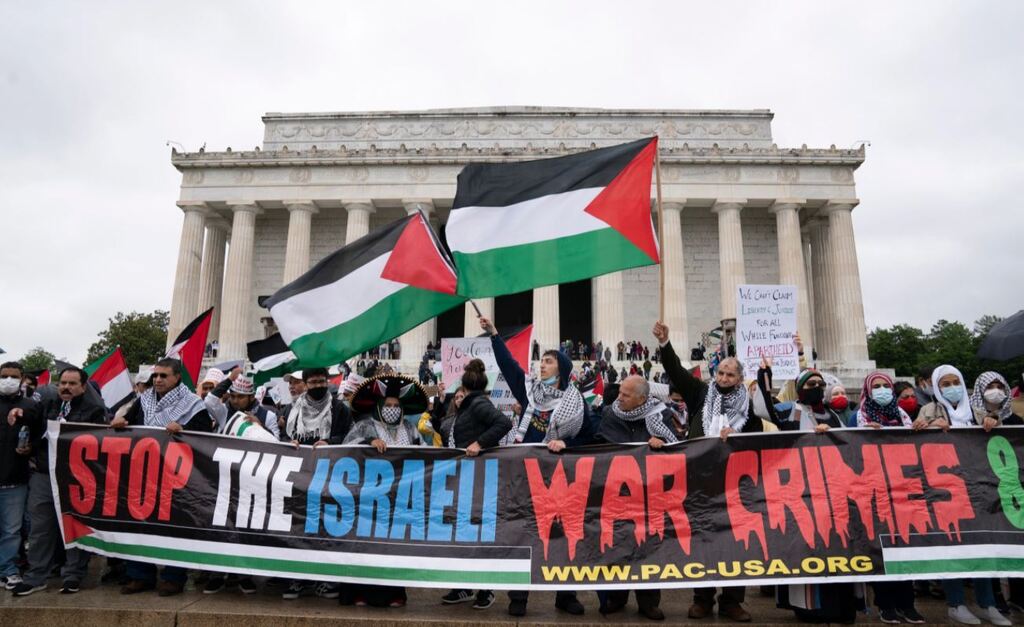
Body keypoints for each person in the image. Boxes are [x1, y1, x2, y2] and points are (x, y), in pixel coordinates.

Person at [479, 315, 587, 617]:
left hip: (561, 480)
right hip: (525, 479)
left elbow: (593, 437)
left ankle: (566, 596)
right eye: (542, 361)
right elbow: (510, 368)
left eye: (549, 362)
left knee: (564, 537)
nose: (542, 365)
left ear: (562, 370)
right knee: (522, 534)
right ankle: (518, 597)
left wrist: (568, 445)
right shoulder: (529, 394)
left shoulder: (577, 404)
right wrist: (494, 335)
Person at [652, 321, 755, 622]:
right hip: (700, 481)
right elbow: (676, 372)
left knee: (736, 544)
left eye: (730, 374)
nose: (723, 377)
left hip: (736, 484)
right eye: (720, 372)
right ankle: (703, 599)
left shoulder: (748, 410)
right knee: (704, 541)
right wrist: (665, 343)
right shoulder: (700, 393)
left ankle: (732, 601)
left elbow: (764, 434)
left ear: (739, 378)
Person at [109, 359, 212, 596]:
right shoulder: (143, 401)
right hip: (143, 473)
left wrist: (185, 432)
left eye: (163, 376)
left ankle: (173, 577)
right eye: (155, 376)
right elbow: (130, 425)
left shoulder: (193, 405)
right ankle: (139, 575)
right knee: (139, 524)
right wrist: (118, 424)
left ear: (177, 377)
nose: (157, 380)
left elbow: (206, 437)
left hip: (176, 477)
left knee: (175, 526)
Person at [916, 369, 1007, 625]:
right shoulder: (928, 411)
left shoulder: (977, 413)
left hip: (979, 490)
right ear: (936, 387)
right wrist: (930, 428)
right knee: (953, 549)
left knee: (982, 548)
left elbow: (998, 432)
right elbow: (914, 441)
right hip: (946, 491)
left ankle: (987, 603)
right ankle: (955, 603)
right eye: (945, 384)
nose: (952, 387)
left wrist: (992, 422)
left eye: (956, 382)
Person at [10, 366, 106, 597]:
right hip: (44, 475)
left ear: (83, 386)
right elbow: (35, 427)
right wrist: (20, 414)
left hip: (76, 478)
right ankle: (36, 576)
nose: (66, 387)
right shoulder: (49, 406)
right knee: (41, 529)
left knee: (75, 527)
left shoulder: (95, 411)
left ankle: (73, 575)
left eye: (72, 384)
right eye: (63, 383)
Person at [595, 375, 676, 621]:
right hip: (616, 493)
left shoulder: (661, 416)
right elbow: (597, 444)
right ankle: (616, 597)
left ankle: (648, 602)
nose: (619, 397)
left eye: (626, 395)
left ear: (642, 399)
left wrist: (660, 443)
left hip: (649, 494)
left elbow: (676, 446)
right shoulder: (609, 413)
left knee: (648, 548)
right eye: (620, 392)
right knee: (616, 546)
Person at [343, 374, 427, 608]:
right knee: (365, 545)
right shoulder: (365, 426)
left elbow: (426, 453)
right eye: (388, 405)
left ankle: (395, 593)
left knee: (394, 547)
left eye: (396, 406)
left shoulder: (409, 429)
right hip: (368, 498)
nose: (392, 409)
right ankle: (359, 592)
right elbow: (345, 448)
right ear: (379, 406)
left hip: (398, 499)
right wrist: (368, 443)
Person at [848, 372, 924, 624]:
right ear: (868, 391)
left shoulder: (903, 416)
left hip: (903, 491)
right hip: (873, 493)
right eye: (876, 386)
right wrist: (863, 436)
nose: (882, 390)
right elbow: (845, 451)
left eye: (885, 386)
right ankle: (885, 603)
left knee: (905, 547)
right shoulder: (856, 418)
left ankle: (907, 603)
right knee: (879, 548)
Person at [444, 358, 512, 611]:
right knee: (465, 534)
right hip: (469, 478)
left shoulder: (478, 403)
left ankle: (485, 589)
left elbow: (505, 423)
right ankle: (464, 585)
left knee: (478, 534)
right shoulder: (471, 405)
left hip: (479, 478)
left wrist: (479, 444)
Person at [279, 367, 352, 601]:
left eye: (322, 381)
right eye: (313, 382)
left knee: (326, 527)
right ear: (306, 384)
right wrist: (288, 442)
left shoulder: (339, 408)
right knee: (298, 526)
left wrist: (330, 442)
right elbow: (281, 438)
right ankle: (298, 578)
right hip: (299, 478)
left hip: (330, 477)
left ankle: (325, 577)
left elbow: (350, 437)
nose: (318, 385)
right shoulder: (291, 409)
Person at [0, 362, 42, 592]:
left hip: (15, 479)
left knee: (11, 530)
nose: (8, 380)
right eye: (3, 376)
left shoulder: (31, 406)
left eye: (13, 376)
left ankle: (8, 570)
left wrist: (31, 448)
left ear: (22, 378)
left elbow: (40, 436)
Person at [205, 373, 279, 438]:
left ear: (252, 397)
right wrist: (229, 380)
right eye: (233, 396)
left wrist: (261, 426)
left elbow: (277, 444)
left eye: (241, 397)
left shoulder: (268, 416)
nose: (235, 401)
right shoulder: (224, 412)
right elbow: (209, 401)